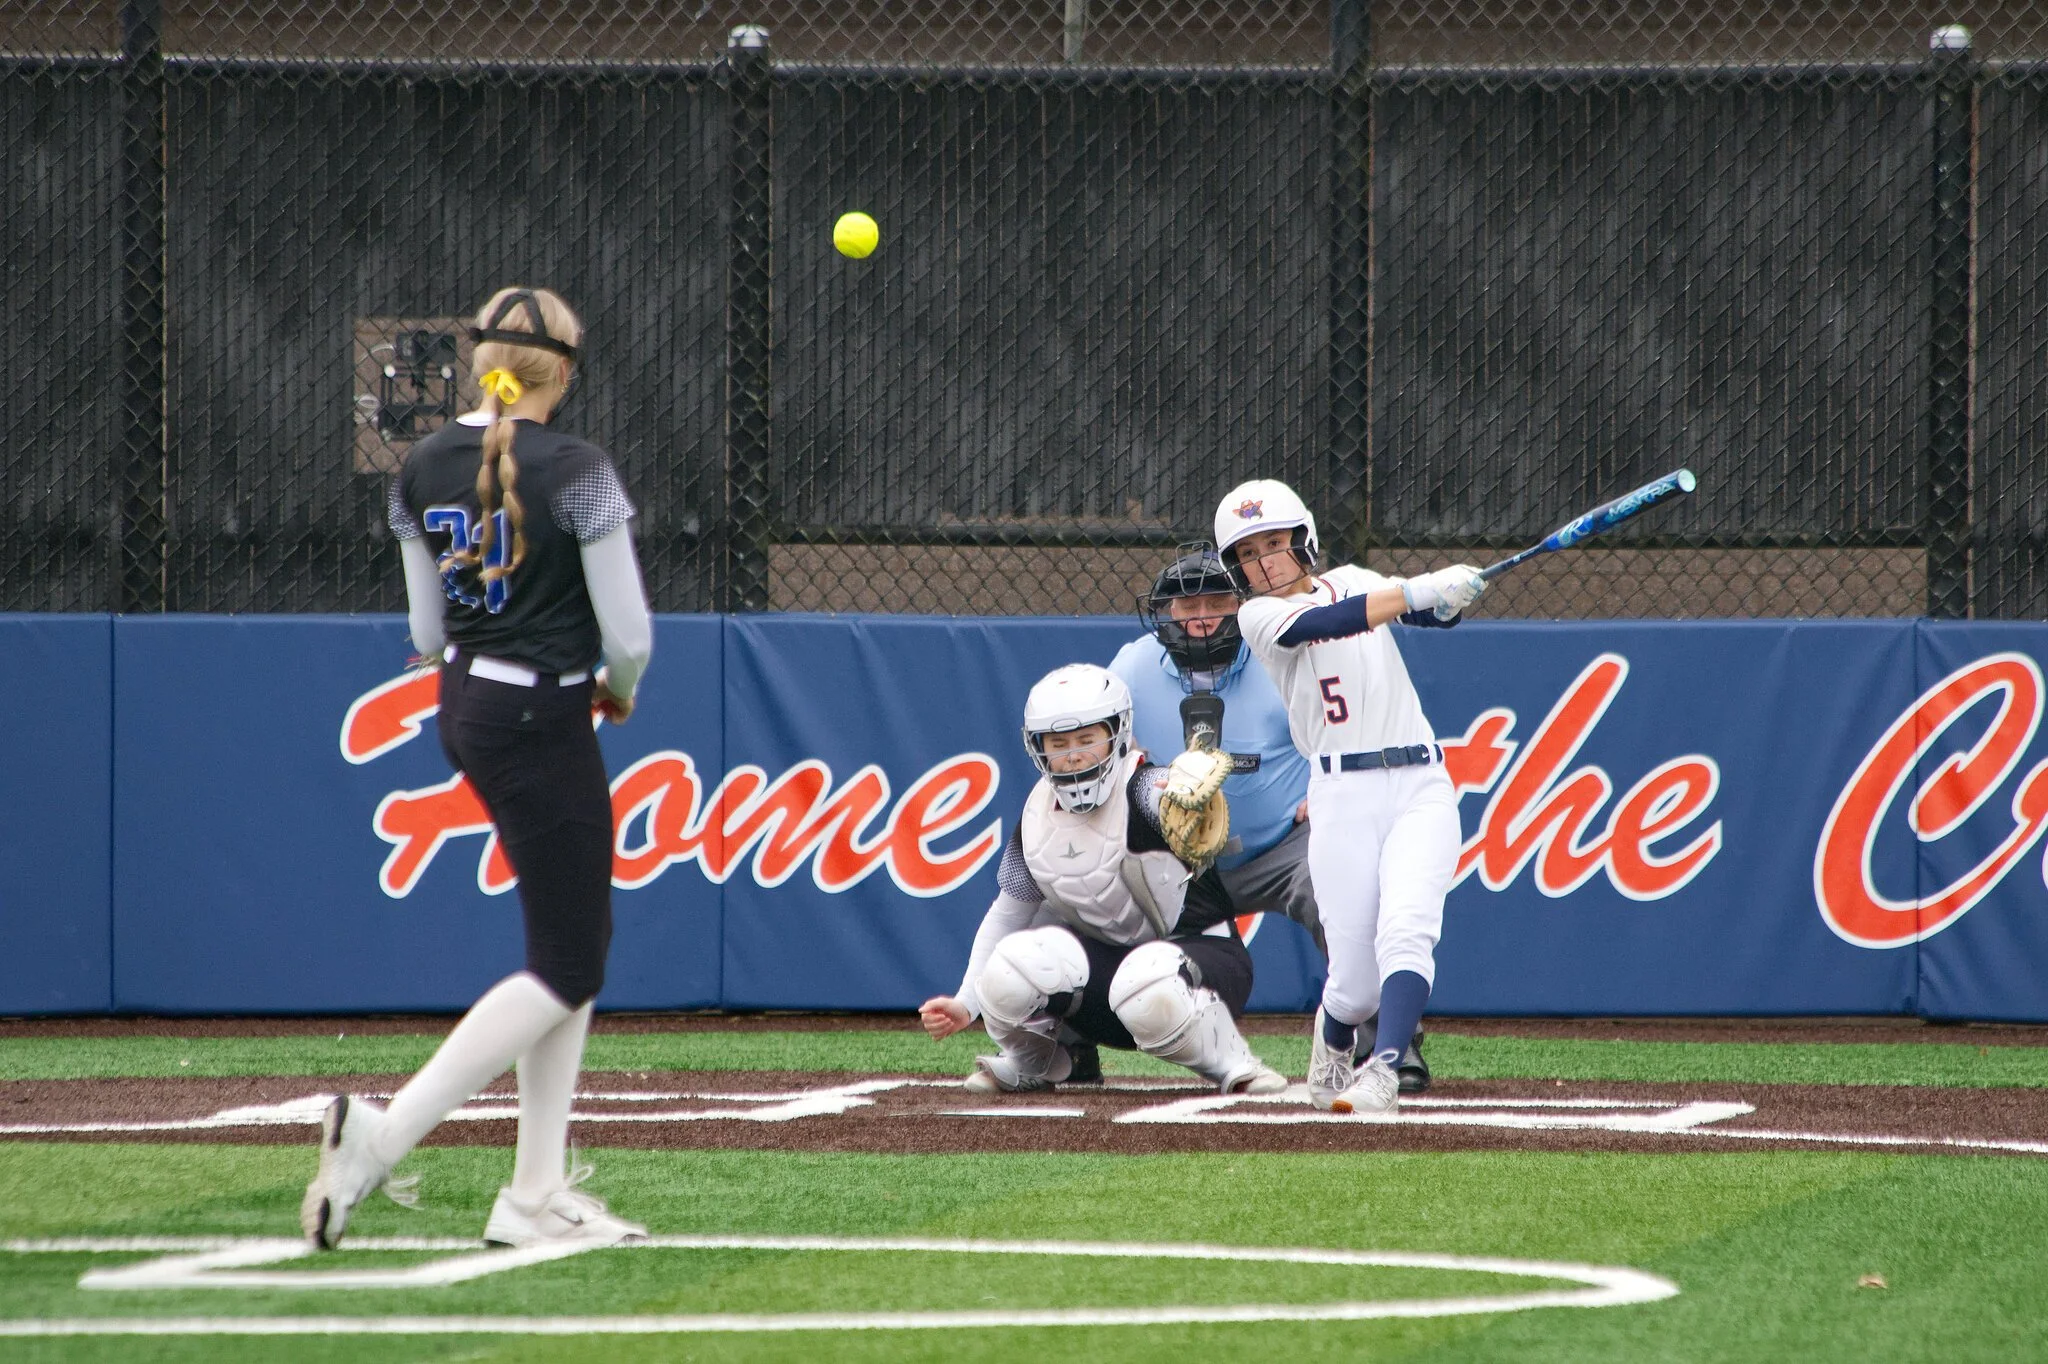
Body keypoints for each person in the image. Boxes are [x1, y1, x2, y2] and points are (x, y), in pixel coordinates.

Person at [301, 287, 654, 1250]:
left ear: (479, 362)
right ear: (562, 374)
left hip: (467, 704)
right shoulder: (578, 468)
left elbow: (426, 634)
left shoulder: (419, 463)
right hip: (542, 713)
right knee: (571, 963)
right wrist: (616, 689)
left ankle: (534, 1195)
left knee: (568, 954)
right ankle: (382, 1140)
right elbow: (629, 638)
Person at [1102, 548, 1432, 1093]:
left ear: (1242, 604)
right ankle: (1059, 1041)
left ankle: (1387, 1046)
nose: (1201, 617)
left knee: (1348, 896)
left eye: (1216, 601)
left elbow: (1348, 721)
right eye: (1187, 605)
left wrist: (1324, 788)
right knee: (1087, 890)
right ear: (1164, 612)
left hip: (1283, 844)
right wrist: (1130, 763)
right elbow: (1095, 738)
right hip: (1176, 859)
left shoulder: (1281, 652)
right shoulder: (1132, 667)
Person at [1212, 479, 1485, 1114]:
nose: (1264, 562)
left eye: (1274, 544)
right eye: (1248, 553)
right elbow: (1329, 620)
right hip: (1340, 793)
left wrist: (1452, 596)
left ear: (1303, 539)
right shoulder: (1258, 617)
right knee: (1355, 986)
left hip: (1420, 784)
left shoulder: (1356, 579)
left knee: (1408, 931)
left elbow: (1426, 613)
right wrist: (1419, 588)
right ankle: (1334, 1037)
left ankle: (1384, 1068)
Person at [916, 663, 1286, 1097]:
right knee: (1011, 965)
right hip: (1109, 988)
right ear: (1037, 747)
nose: (1073, 754)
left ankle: (1235, 1065)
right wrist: (966, 1003)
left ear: (1118, 733)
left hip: (1203, 969)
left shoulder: (1144, 788)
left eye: (1086, 739)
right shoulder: (1036, 817)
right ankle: (1034, 1063)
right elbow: (1007, 915)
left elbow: (1165, 793)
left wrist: (1184, 798)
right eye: (1058, 743)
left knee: (1144, 978)